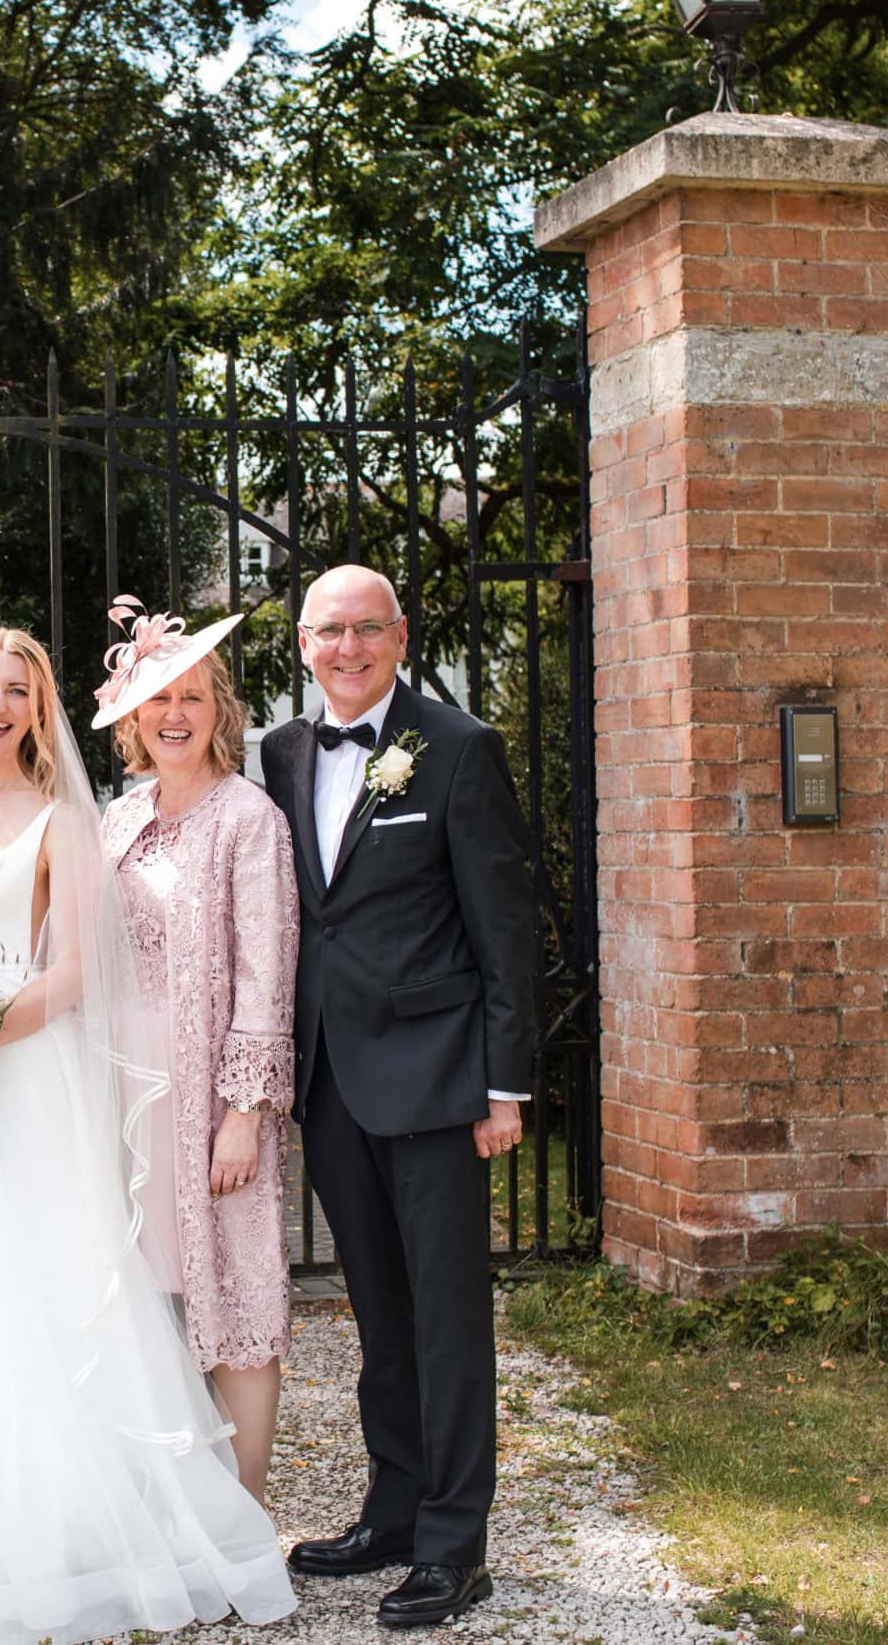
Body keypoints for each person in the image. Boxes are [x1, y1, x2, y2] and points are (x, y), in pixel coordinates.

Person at [0, 627, 297, 1645]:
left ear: (40, 712)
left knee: (49, 1295)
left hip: (18, 1073)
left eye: (19, 691)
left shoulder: (70, 821)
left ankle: (81, 1529)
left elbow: (70, 973)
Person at [257, 563, 539, 1628]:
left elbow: (503, 926)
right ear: (300, 643)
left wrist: (502, 1086)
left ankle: (454, 1543)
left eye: (366, 629)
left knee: (447, 1317)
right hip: (330, 1080)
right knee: (378, 1309)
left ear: (400, 636)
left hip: (435, 1080)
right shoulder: (282, 755)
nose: (347, 647)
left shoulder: (459, 750)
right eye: (328, 631)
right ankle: (392, 1505)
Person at [93, 600, 297, 1502]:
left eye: (192, 697)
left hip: (209, 1101)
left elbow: (266, 973)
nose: (175, 714)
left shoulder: (249, 819)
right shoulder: (116, 819)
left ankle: (245, 1510)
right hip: (120, 1093)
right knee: (147, 1296)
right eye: (156, 699)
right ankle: (171, 1512)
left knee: (235, 1297)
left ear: (221, 711)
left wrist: (243, 1113)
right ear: (132, 719)